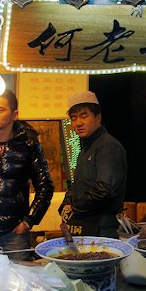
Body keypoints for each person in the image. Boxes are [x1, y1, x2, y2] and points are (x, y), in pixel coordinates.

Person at [0, 90, 54, 260]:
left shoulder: (28, 143)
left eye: (0, 110)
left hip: (14, 234)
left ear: (15, 114)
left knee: (19, 283)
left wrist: (28, 222)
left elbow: (45, 187)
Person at [59, 91, 127, 238]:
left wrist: (74, 206)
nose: (78, 123)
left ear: (98, 117)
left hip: (101, 228)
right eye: (73, 118)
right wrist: (66, 204)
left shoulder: (108, 146)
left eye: (84, 116)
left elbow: (104, 190)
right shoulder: (85, 148)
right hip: (84, 226)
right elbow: (76, 186)